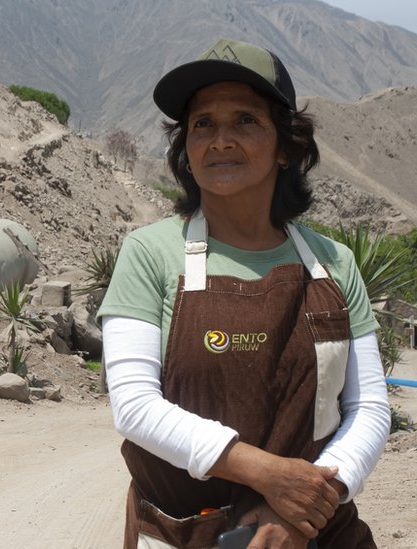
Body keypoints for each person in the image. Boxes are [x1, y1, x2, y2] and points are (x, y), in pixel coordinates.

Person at [97, 38, 391, 548]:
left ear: (285, 146)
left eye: (246, 121)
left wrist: (304, 509)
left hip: (314, 533)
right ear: (185, 149)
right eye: (203, 124)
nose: (220, 140)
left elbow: (368, 407)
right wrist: (269, 476)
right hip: (186, 533)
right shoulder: (149, 253)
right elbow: (133, 405)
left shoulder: (334, 264)